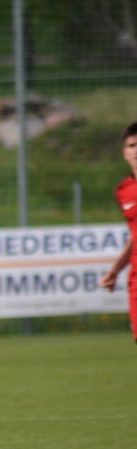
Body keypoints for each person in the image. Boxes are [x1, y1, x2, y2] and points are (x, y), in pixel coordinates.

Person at [99, 121, 137, 342]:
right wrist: (114, 270)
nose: (136, 150)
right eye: (132, 145)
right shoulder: (124, 191)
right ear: (124, 153)